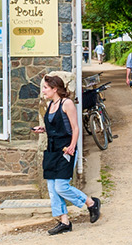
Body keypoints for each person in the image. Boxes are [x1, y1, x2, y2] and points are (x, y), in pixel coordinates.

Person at [32, 74, 100, 235]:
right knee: (52, 188)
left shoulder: (67, 103)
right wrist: (43, 129)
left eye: (46, 88)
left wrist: (72, 146)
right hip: (52, 149)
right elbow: (56, 126)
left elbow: (75, 128)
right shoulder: (51, 104)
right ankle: (64, 221)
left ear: (55, 89)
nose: (43, 90)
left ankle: (91, 203)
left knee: (61, 186)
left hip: (65, 150)